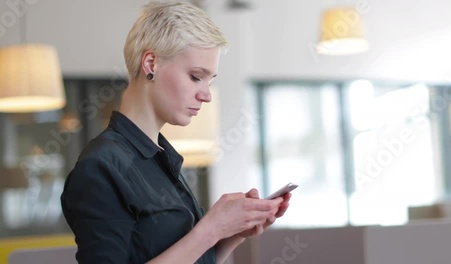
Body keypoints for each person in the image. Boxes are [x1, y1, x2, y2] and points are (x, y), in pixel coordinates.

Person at [60, 1, 291, 263]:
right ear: (151, 64)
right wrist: (211, 228)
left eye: (209, 81)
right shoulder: (100, 166)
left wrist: (233, 231)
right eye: (195, 77)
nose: (206, 96)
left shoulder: (163, 158)